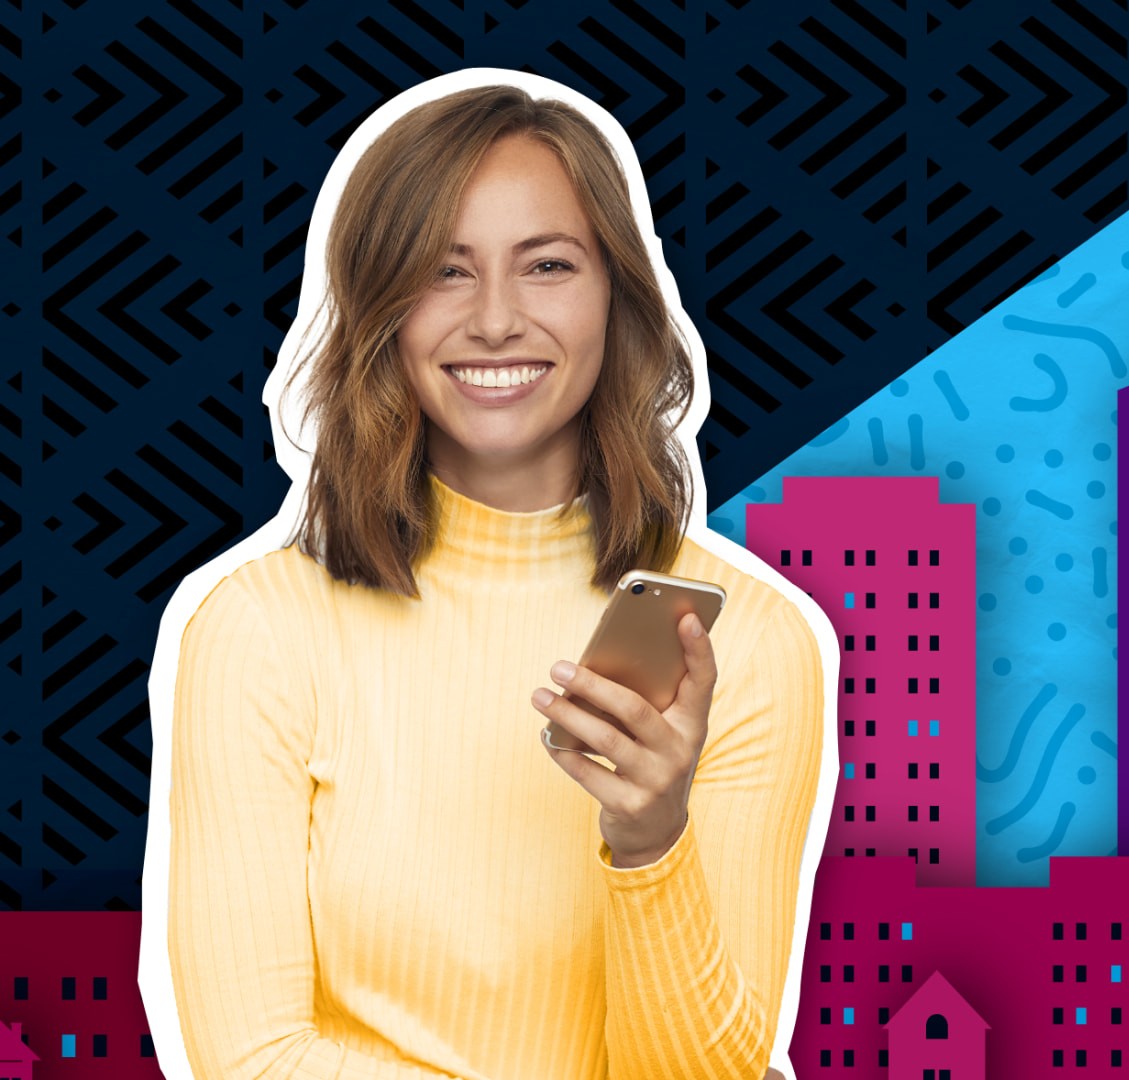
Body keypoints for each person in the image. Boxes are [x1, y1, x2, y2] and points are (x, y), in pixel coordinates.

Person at [161, 82, 824, 1080]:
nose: (497, 321)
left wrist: (651, 841)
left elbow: (708, 1073)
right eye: (444, 273)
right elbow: (253, 1060)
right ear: (380, 308)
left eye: (548, 266)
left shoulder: (749, 644)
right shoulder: (257, 630)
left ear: (616, 296)